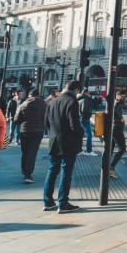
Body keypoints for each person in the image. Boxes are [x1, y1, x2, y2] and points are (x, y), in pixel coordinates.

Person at [43, 80, 84, 213]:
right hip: (68, 143)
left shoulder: (53, 101)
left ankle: (48, 202)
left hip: (54, 140)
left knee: (52, 170)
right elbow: (74, 125)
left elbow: (46, 122)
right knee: (66, 172)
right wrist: (81, 133)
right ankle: (63, 203)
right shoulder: (72, 102)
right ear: (77, 90)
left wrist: (54, 132)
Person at [14, 89, 47, 183]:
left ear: (29, 96)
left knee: (25, 151)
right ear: (38, 96)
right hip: (38, 131)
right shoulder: (44, 105)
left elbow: (16, 120)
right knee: (33, 152)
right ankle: (28, 174)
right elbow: (47, 119)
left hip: (25, 131)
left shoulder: (23, 105)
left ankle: (24, 170)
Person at [110, 90, 127, 179]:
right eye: (122, 96)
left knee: (110, 149)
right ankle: (111, 167)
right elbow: (115, 111)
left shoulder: (116, 102)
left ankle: (106, 168)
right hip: (117, 129)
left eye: (124, 96)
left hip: (113, 129)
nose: (123, 98)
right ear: (117, 96)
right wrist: (120, 118)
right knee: (122, 149)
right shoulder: (118, 103)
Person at [78, 89, 97, 156]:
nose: (90, 94)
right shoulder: (85, 100)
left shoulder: (80, 99)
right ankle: (89, 151)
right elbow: (84, 110)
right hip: (85, 118)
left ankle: (79, 150)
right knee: (89, 135)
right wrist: (90, 113)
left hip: (81, 118)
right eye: (89, 93)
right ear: (85, 93)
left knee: (81, 135)